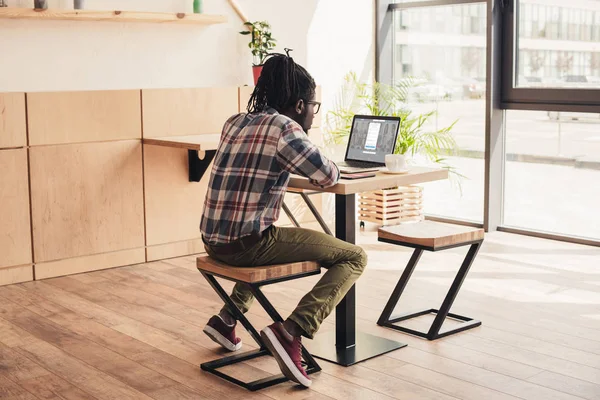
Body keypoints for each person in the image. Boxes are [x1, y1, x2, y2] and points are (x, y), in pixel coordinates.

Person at [200, 53, 367, 388]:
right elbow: (327, 174)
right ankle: (291, 331)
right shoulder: (284, 127)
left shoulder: (235, 121)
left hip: (213, 240)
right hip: (247, 246)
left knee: (262, 235)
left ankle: (227, 318)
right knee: (353, 256)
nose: (312, 114)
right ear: (300, 103)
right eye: (314, 106)